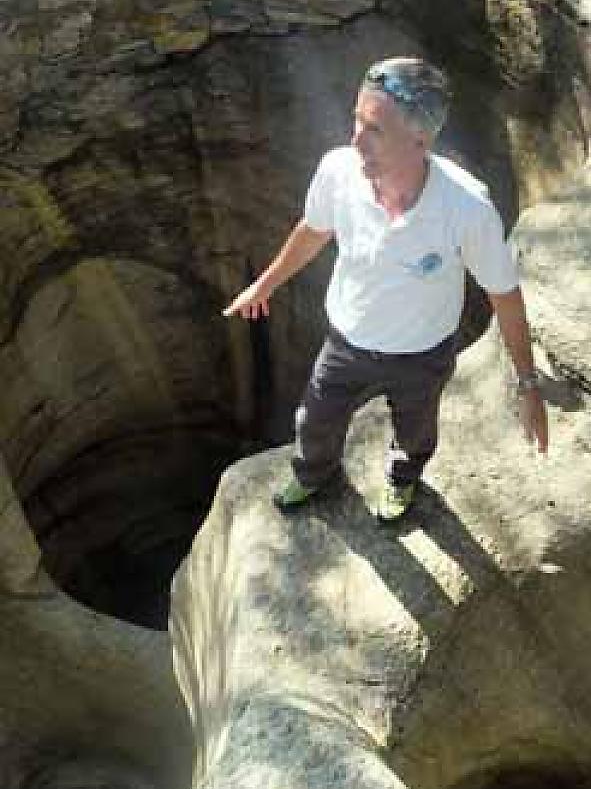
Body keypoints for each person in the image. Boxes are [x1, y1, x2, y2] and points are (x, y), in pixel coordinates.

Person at [223, 56, 548, 520]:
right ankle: (314, 473)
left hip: (422, 352)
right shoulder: (339, 171)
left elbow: (504, 295)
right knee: (314, 419)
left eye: (374, 129)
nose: (356, 140)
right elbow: (313, 231)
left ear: (422, 137)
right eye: (356, 121)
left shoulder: (466, 208)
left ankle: (403, 478)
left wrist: (528, 383)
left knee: (415, 431)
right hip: (347, 339)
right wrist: (263, 286)